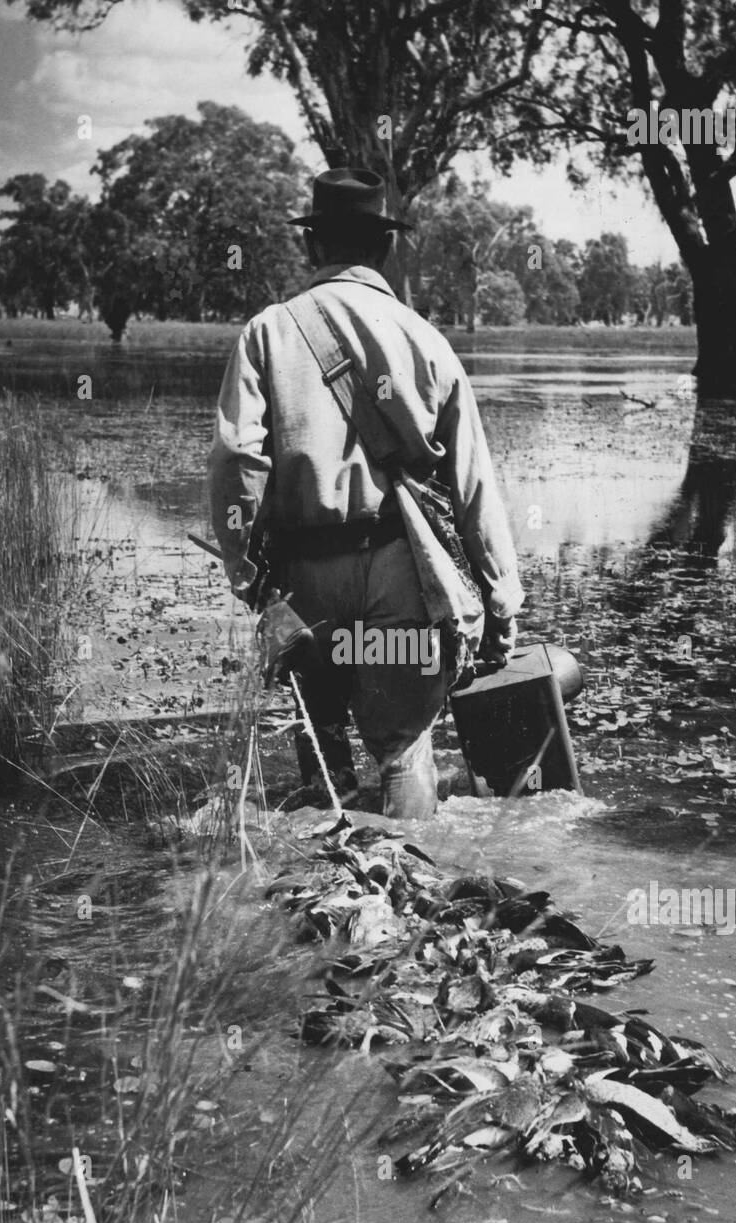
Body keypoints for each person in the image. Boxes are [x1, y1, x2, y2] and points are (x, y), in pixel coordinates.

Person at [207, 167, 522, 818]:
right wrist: (501, 603)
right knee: (403, 748)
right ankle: (413, 889)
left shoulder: (267, 332)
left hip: (305, 580)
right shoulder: (427, 340)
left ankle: (325, 889)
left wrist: (249, 576)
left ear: (314, 246)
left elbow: (237, 460)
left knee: (320, 743)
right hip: (399, 576)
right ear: (384, 248)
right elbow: (473, 485)